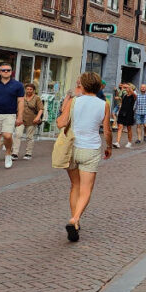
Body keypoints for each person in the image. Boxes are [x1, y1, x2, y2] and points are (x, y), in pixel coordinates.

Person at [56, 72, 113, 241]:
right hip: (90, 148)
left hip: (72, 147)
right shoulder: (104, 105)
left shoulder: (74, 101)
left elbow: (60, 123)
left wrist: (68, 102)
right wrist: (109, 147)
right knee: (86, 189)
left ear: (83, 85)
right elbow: (107, 131)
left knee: (75, 185)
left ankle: (75, 220)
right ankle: (75, 219)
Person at [13, 82, 45, 159]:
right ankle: (14, 153)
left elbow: (41, 109)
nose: (29, 91)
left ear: (33, 90)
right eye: (27, 89)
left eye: (31, 89)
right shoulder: (21, 97)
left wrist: (37, 117)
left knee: (29, 137)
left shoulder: (37, 98)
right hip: (21, 119)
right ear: (25, 89)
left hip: (32, 120)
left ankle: (28, 153)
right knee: (17, 134)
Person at [115, 83, 136, 148]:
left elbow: (133, 93)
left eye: (127, 88)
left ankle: (129, 142)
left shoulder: (133, 96)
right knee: (120, 127)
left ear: (130, 88)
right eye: (126, 88)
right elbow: (122, 103)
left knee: (129, 128)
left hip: (129, 113)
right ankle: (117, 143)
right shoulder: (124, 95)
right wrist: (119, 111)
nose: (126, 89)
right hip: (122, 112)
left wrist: (127, 86)